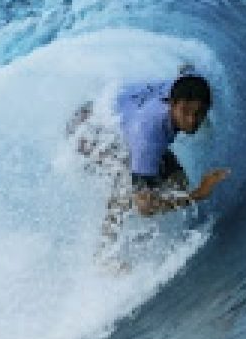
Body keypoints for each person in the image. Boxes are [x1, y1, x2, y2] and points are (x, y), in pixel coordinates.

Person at [68, 70, 230, 243]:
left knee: (178, 185)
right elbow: (145, 208)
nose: (192, 120)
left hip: (115, 113)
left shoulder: (184, 88)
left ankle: (143, 224)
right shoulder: (149, 136)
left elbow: (186, 71)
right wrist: (199, 194)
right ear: (171, 104)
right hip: (87, 131)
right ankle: (104, 254)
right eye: (185, 112)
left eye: (199, 113)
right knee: (125, 187)